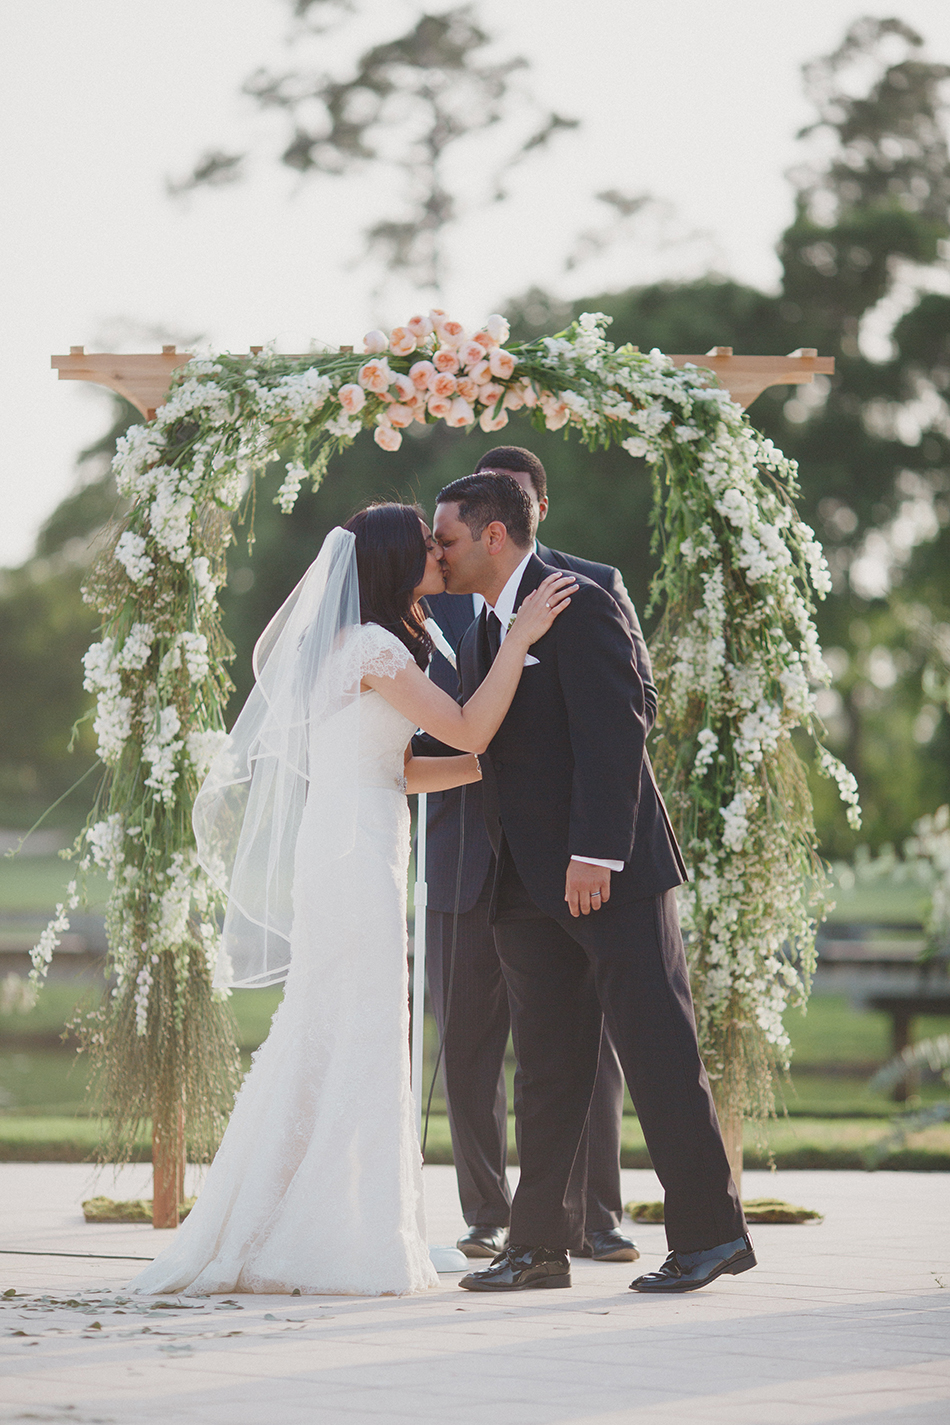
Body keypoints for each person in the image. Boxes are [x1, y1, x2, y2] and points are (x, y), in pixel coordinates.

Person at [129, 504, 574, 1298]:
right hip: (352, 855)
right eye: (430, 547)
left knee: (336, 1030)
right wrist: (519, 638)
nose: (442, 555)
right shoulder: (370, 646)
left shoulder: (363, 646)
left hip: (356, 836)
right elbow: (469, 729)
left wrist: (495, 771)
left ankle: (312, 1219)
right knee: (361, 1031)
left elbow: (405, 768)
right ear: (397, 561)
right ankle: (347, 1236)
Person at [431, 474, 754, 1295]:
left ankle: (712, 1237)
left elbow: (621, 723)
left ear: (495, 534)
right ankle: (536, 1246)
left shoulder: (579, 596)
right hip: (525, 891)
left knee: (657, 1049)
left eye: (448, 539)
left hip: (608, 874)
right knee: (545, 1068)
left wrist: (597, 852)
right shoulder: (481, 631)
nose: (439, 552)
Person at [420, 445, 649, 1263]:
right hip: (461, 852)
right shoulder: (435, 594)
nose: (487, 522)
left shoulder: (587, 586)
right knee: (469, 1048)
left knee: (579, 1044)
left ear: (527, 514)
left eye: (511, 500)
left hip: (551, 856)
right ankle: (489, 1211)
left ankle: (595, 1213)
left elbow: (630, 698)